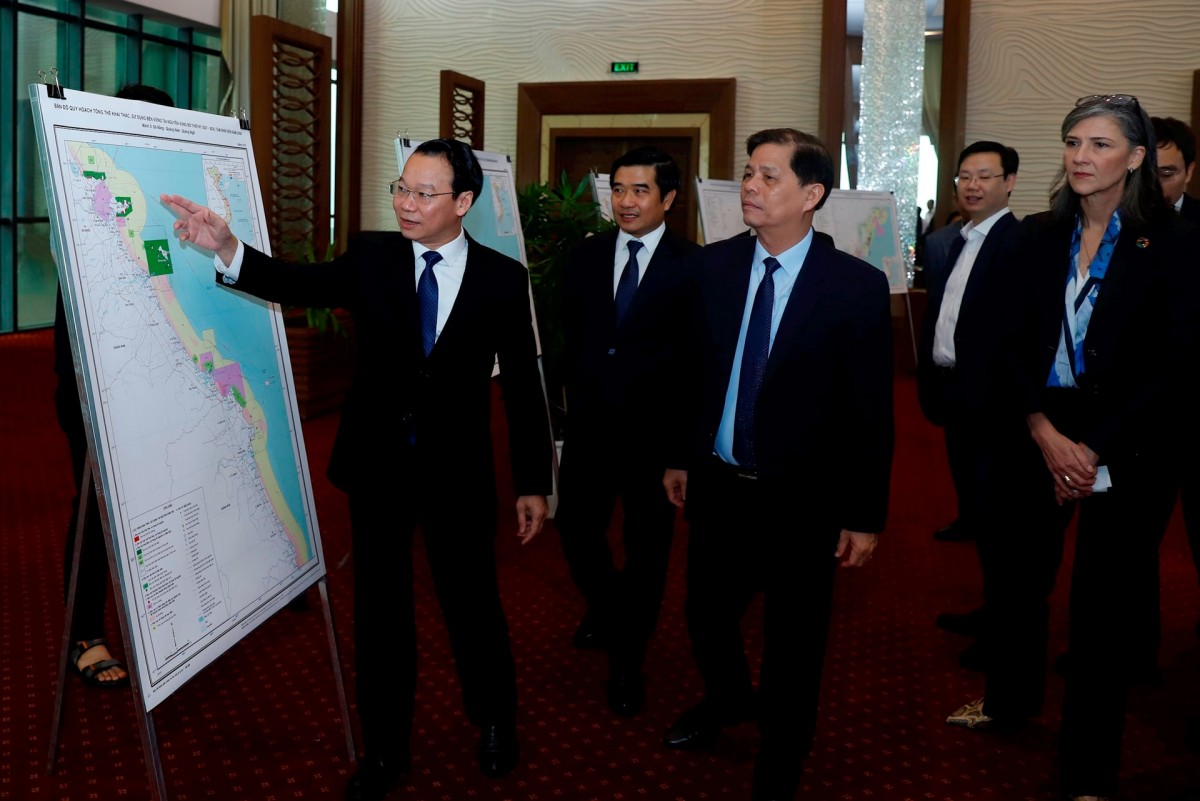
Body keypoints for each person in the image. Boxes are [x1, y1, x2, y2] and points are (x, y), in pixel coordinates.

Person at [161, 138, 553, 801]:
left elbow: (522, 384)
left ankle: (493, 720)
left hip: (457, 472)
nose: (405, 203)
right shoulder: (373, 258)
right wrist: (225, 246)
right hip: (379, 466)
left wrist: (534, 480)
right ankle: (385, 747)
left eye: (423, 193)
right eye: (401, 188)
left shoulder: (501, 279)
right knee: (380, 611)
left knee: (472, 604)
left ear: (462, 202)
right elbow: (296, 281)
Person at [946, 94, 1196, 801]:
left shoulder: (1175, 245)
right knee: (1018, 581)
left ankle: (1089, 770)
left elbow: (1174, 367)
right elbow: (1000, 340)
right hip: (1037, 426)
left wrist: (1091, 449)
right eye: (1072, 142)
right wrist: (1043, 431)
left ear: (1138, 157)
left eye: (1100, 145)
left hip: (1127, 438)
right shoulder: (1035, 236)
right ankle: (1008, 700)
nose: (1082, 157)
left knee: (1102, 611)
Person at [661, 128, 893, 801]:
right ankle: (731, 698)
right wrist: (680, 455)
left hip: (803, 500)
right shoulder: (716, 266)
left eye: (768, 177)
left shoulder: (854, 286)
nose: (751, 189)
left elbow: (871, 413)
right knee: (705, 615)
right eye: (748, 175)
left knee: (794, 650)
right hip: (719, 486)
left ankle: (780, 765)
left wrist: (864, 513)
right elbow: (693, 376)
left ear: (811, 193)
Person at [555, 146, 700, 716]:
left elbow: (697, 367)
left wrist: (682, 453)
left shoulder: (694, 267)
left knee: (647, 552)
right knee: (575, 533)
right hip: (590, 429)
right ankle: (611, 609)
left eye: (640, 191)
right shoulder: (584, 257)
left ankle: (627, 660)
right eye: (617, 189)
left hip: (655, 440)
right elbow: (573, 338)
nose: (625, 201)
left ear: (667, 198)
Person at [55, 82, 175, 690]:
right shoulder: (92, 199)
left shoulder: (162, 202)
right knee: (96, 513)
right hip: (93, 387)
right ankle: (85, 632)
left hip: (160, 380)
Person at [918, 141, 1020, 670]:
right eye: (964, 176)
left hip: (994, 408)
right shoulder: (955, 240)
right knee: (981, 514)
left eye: (985, 176)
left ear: (1009, 184)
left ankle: (1006, 629)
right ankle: (991, 610)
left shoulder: (1018, 243)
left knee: (1002, 523)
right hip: (956, 395)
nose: (972, 186)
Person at [1152, 116, 1200, 641]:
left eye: (1169, 174)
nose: (1158, 186)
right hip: (1141, 424)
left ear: (1189, 171)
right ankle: (1130, 650)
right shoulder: (1110, 229)